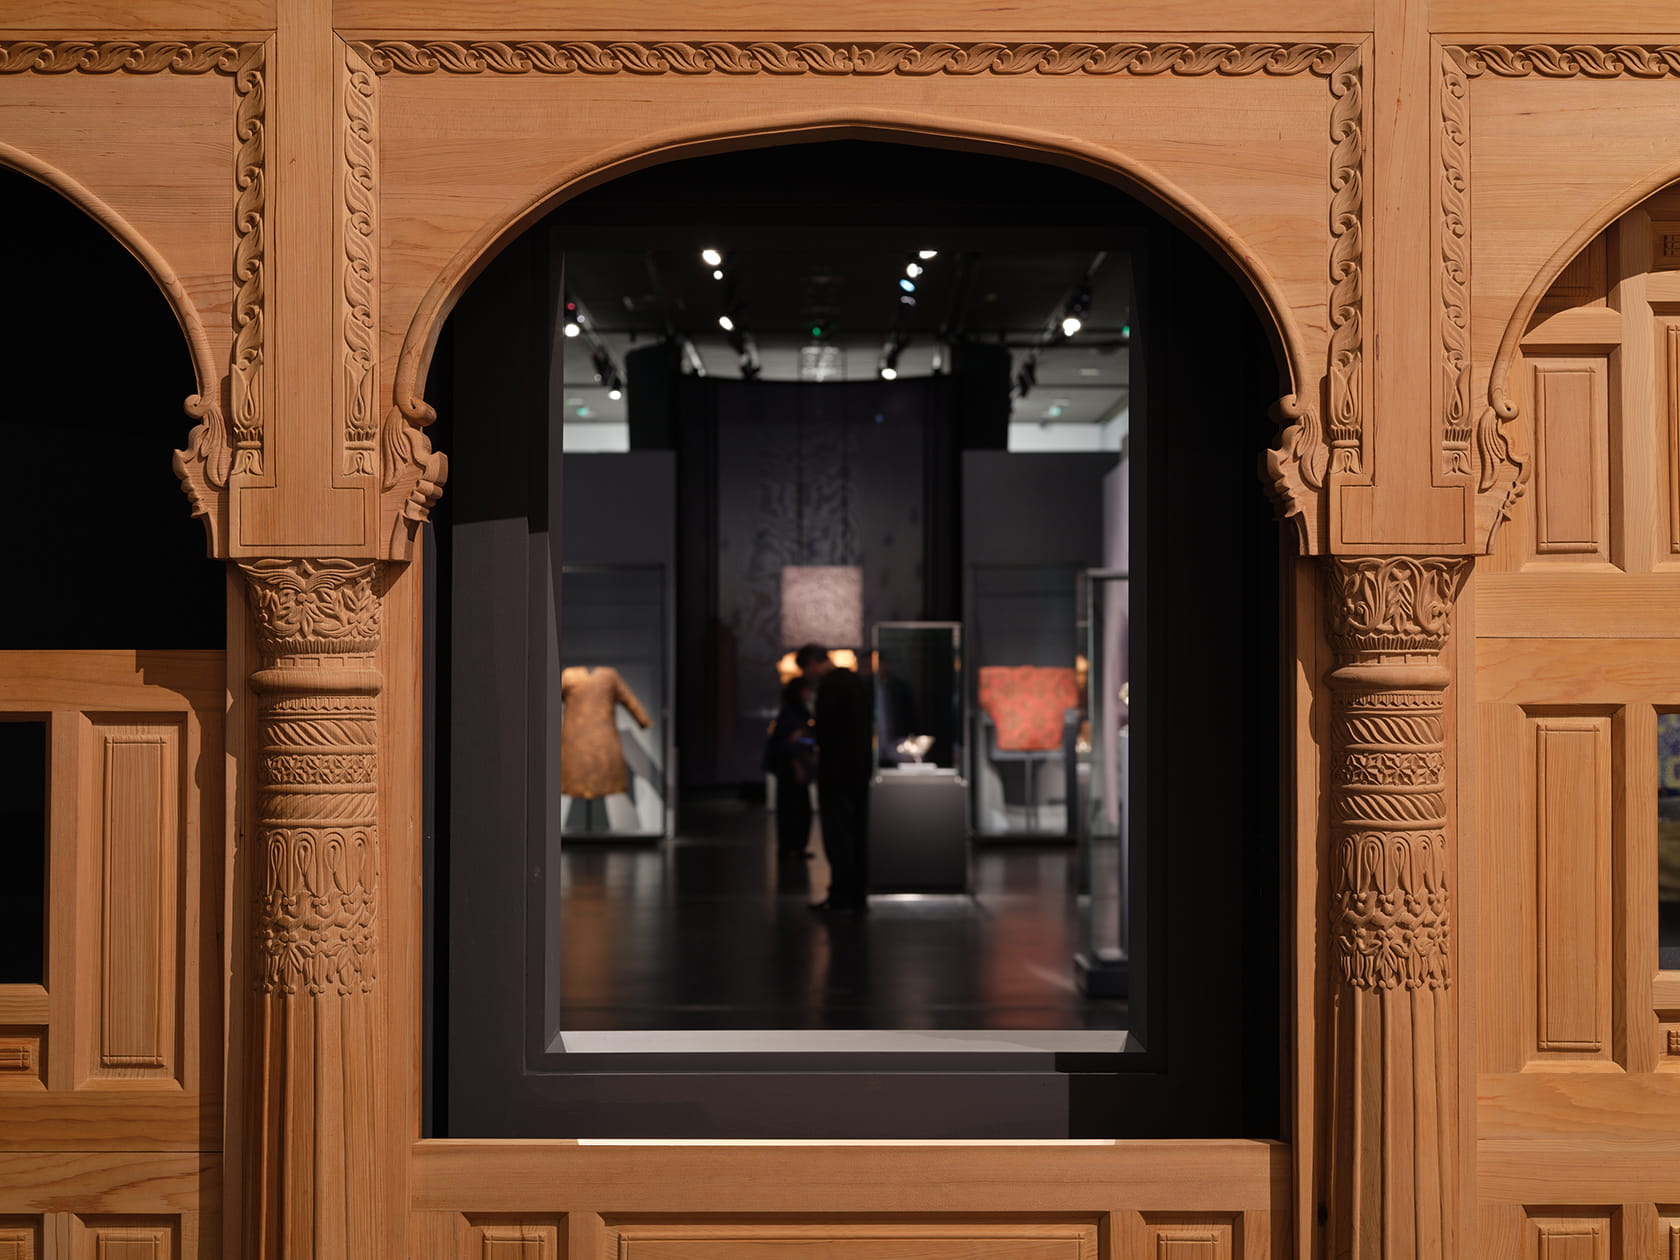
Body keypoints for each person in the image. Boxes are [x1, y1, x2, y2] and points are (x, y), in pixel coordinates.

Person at [812, 658, 873, 913]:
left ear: (813, 664)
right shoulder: (856, 683)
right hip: (859, 769)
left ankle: (841, 895)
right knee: (857, 833)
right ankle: (857, 895)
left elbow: (825, 731)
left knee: (838, 835)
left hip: (836, 771)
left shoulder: (830, 686)